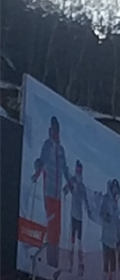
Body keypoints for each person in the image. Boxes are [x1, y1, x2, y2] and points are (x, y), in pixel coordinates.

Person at [32, 115, 72, 270]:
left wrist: (69, 183)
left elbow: (65, 169)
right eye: (54, 130)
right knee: (52, 225)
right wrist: (37, 169)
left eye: (58, 130)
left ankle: (55, 261)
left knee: (58, 227)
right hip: (49, 192)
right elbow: (41, 163)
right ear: (51, 130)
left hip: (58, 194)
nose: (56, 133)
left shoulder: (61, 150)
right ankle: (50, 260)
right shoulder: (46, 146)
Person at [64, 159, 89, 275]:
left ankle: (79, 265)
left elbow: (85, 200)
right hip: (74, 215)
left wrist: (88, 210)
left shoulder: (81, 186)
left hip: (79, 217)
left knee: (78, 242)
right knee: (72, 241)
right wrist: (66, 189)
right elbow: (67, 188)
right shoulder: (73, 182)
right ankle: (70, 265)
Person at [100, 178, 120, 280]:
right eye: (114, 189)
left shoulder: (116, 204)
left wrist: (119, 237)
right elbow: (102, 213)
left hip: (113, 237)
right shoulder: (106, 199)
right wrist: (105, 217)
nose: (115, 192)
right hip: (106, 235)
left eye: (117, 190)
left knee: (113, 260)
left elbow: (117, 223)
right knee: (106, 258)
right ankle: (104, 279)